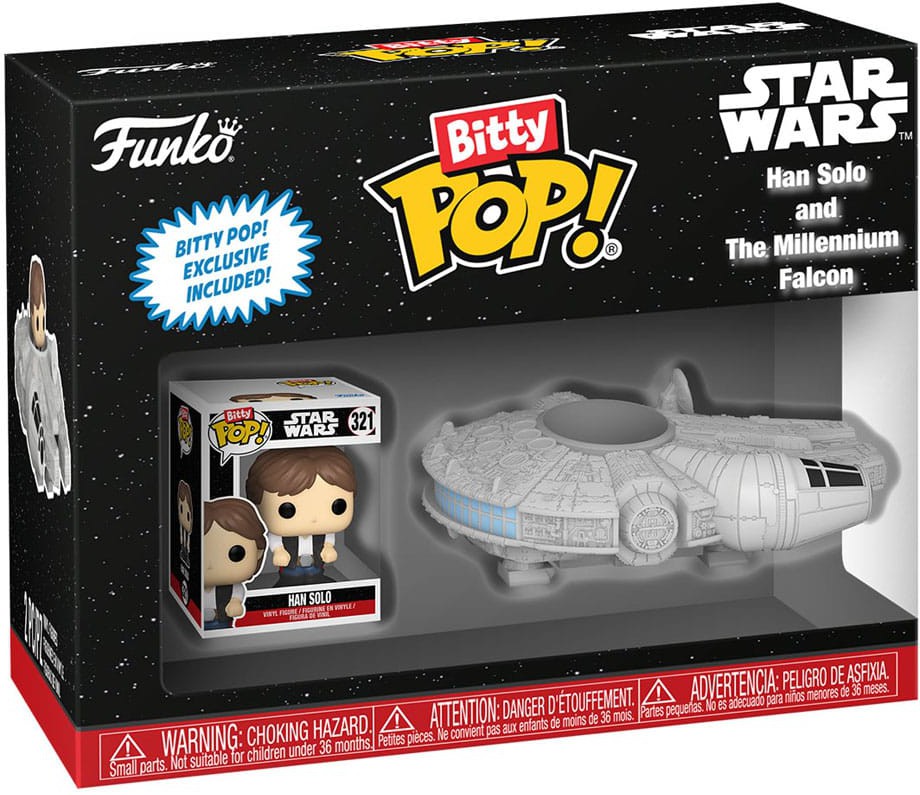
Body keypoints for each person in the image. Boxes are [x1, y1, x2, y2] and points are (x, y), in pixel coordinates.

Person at [245, 447, 356, 586]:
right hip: (292, 566)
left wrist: (328, 548)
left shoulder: (325, 531)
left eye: (338, 506)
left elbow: (328, 541)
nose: (314, 518)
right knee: (291, 578)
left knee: (315, 576)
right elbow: (275, 541)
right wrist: (279, 551)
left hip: (315, 564)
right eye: (287, 510)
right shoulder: (280, 533)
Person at [12, 256, 71, 498]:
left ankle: (59, 481)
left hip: (54, 417)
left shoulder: (51, 351)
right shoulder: (24, 348)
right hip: (38, 416)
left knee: (60, 453)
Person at [202, 498, 266, 630]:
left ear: (258, 552)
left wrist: (235, 603)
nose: (212, 564)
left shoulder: (233, 587)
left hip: (222, 621)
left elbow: (236, 595)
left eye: (236, 554)